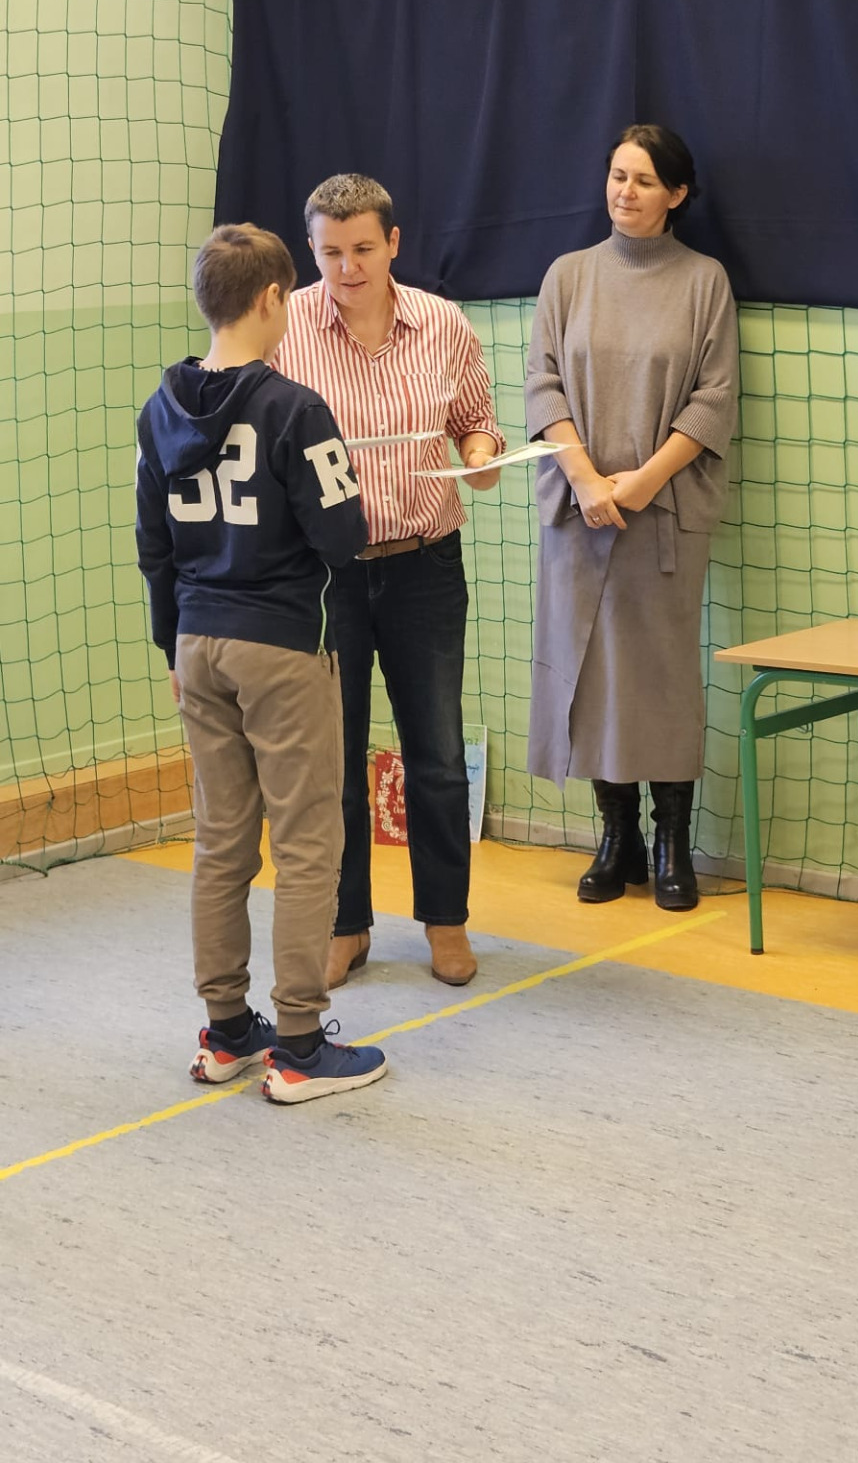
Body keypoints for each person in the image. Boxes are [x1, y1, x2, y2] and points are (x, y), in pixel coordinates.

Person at [136, 222, 387, 1105]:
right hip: (281, 644)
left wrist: (172, 644)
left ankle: (225, 1033)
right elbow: (343, 537)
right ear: (274, 298)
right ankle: (299, 1045)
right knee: (309, 842)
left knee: (220, 842)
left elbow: (154, 546)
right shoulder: (295, 408)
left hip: (197, 642)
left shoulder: (159, 409)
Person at [274, 173, 505, 989]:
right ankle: (345, 926)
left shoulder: (442, 323)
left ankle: (445, 922)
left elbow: (475, 423)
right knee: (332, 763)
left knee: (435, 754)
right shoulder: (284, 327)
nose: (347, 267)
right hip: (323, 577)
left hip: (424, 564)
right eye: (330, 252)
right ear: (311, 249)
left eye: (363, 249)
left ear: (393, 243)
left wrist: (480, 456)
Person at [524, 125, 739, 910]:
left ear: (676, 194)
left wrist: (642, 483)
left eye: (644, 180)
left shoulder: (704, 281)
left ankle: (670, 839)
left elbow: (713, 398)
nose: (625, 191)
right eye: (618, 175)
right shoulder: (567, 275)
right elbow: (542, 384)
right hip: (578, 511)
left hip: (663, 513)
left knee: (662, 676)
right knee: (588, 672)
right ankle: (616, 838)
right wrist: (586, 481)